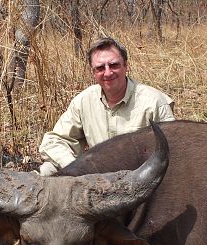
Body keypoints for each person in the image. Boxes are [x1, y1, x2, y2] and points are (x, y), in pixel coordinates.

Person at [39, 37, 175, 176]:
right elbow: (54, 140)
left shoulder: (154, 101)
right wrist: (74, 167)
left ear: (126, 66)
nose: (108, 73)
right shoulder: (83, 101)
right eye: (100, 68)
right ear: (93, 72)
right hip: (95, 176)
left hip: (139, 176)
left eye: (114, 65)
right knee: (47, 170)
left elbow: (174, 148)